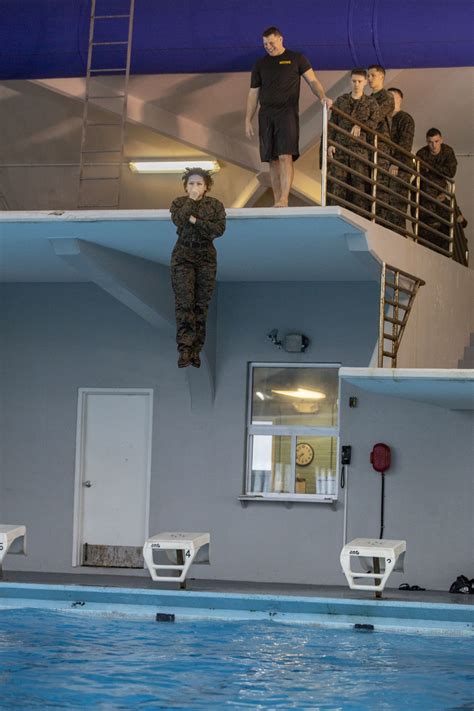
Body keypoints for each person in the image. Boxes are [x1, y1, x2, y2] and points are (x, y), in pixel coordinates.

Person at [245, 26, 332, 207]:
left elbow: (313, 81)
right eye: (265, 44)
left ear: (281, 39)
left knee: (285, 156)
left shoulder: (296, 58)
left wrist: (322, 96)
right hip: (266, 114)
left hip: (287, 113)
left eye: (271, 43)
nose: (268, 46)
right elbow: (253, 94)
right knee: (272, 160)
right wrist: (247, 120)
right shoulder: (260, 64)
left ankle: (284, 198)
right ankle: (277, 199)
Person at [169, 168, 226, 368]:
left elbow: (217, 230)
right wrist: (191, 202)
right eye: (191, 183)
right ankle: (184, 348)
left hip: (206, 258)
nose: (195, 187)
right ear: (185, 186)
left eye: (199, 184)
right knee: (184, 303)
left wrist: (194, 220)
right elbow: (178, 219)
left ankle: (196, 350)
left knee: (201, 305)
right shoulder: (178, 203)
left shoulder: (215, 205)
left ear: (207, 187)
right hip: (183, 256)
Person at [327, 68, 381, 216]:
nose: (356, 84)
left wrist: (361, 126)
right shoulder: (341, 100)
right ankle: (335, 221)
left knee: (360, 190)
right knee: (338, 188)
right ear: (350, 81)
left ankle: (360, 221)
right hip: (341, 149)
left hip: (359, 151)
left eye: (359, 81)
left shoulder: (371, 103)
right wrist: (330, 144)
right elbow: (333, 123)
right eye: (354, 81)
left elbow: (374, 122)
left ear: (365, 83)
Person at [415, 128, 457, 250]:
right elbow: (421, 175)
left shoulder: (447, 151)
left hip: (441, 190)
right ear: (427, 142)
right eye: (430, 142)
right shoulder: (421, 153)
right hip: (425, 191)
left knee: (447, 221)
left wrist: (431, 167)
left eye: (436, 141)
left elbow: (451, 172)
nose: (434, 145)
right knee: (425, 222)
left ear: (441, 140)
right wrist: (437, 170)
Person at [367, 65, 395, 223]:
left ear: (382, 77)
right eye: (368, 76)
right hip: (367, 145)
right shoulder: (369, 98)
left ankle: (381, 222)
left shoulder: (387, 97)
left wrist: (359, 123)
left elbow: (375, 117)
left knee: (381, 185)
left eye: (373, 75)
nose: (370, 79)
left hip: (381, 146)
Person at [387, 87, 415, 230]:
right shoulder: (384, 118)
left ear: (400, 99)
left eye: (393, 96)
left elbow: (405, 143)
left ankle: (398, 234)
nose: (390, 99)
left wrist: (395, 163)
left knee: (397, 205)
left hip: (400, 167)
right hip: (385, 166)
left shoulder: (405, 118)